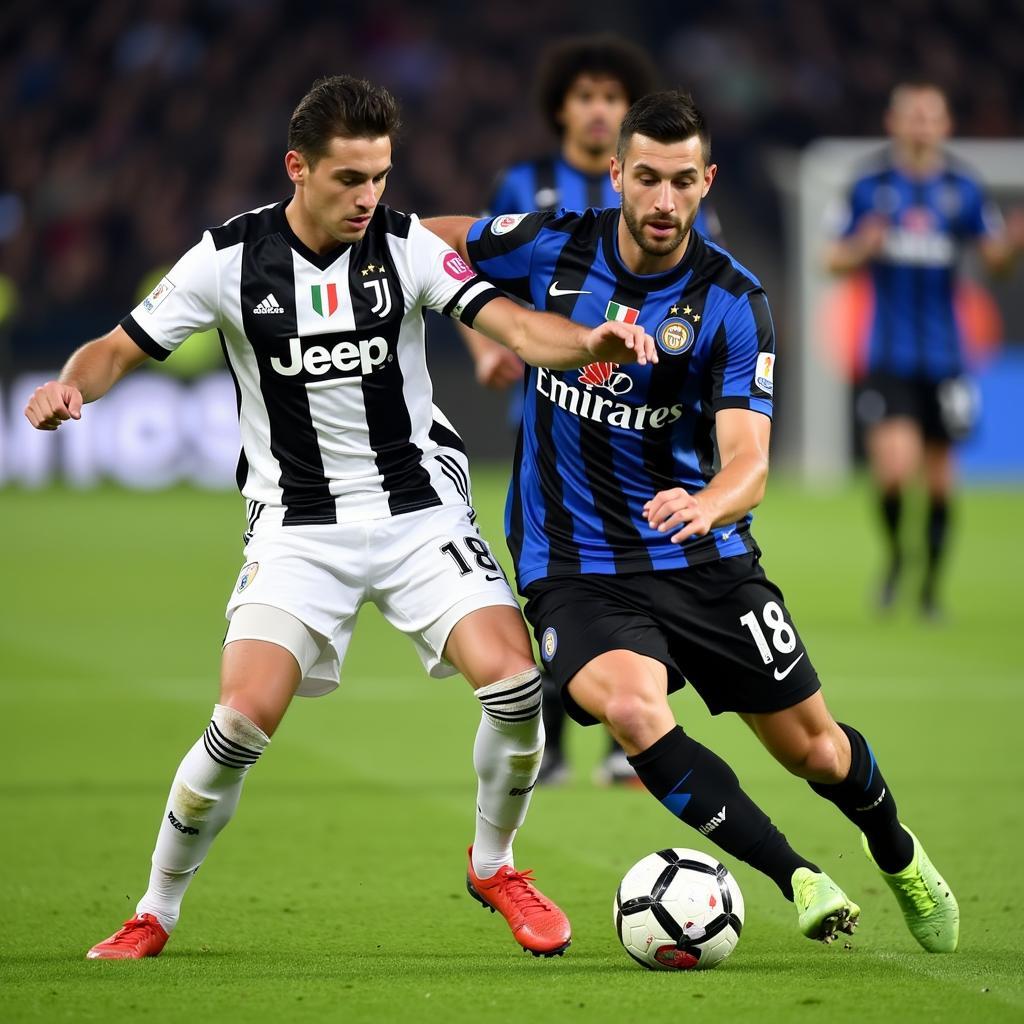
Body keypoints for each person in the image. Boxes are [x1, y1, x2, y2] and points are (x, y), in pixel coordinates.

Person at [25, 75, 658, 961]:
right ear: (299, 168)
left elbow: (513, 325)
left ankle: (495, 864)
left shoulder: (404, 248)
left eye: (381, 178)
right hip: (295, 524)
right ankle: (154, 909)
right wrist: (68, 385)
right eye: (350, 179)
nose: (369, 198)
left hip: (417, 511)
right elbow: (119, 347)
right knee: (242, 718)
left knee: (516, 687)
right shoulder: (228, 258)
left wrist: (587, 341)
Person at [425, 90, 960, 952]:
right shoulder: (554, 241)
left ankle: (897, 854)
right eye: (646, 179)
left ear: (706, 181)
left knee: (817, 753)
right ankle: (799, 879)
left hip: (701, 555)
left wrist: (707, 502)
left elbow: (749, 459)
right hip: (574, 564)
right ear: (617, 175)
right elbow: (433, 240)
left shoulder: (732, 302)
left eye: (682, 181)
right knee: (636, 711)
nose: (664, 201)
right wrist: (372, 252)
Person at [461, 34, 718, 787]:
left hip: (645, 427)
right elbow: (469, 270)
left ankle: (625, 737)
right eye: (586, 97)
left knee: (639, 564)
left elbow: (708, 285)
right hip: (551, 407)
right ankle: (554, 749)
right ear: (563, 109)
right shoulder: (526, 185)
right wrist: (485, 347)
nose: (599, 108)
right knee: (555, 564)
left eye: (612, 97)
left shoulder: (658, 189)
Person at [824, 81, 1023, 618]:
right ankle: (895, 559)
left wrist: (1012, 247)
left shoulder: (963, 188)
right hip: (887, 356)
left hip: (946, 358)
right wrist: (859, 248)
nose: (920, 125)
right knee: (892, 470)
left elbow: (996, 261)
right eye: (912, 115)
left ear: (944, 125)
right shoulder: (868, 187)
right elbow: (830, 260)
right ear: (893, 123)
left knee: (938, 481)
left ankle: (931, 589)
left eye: (930, 117)